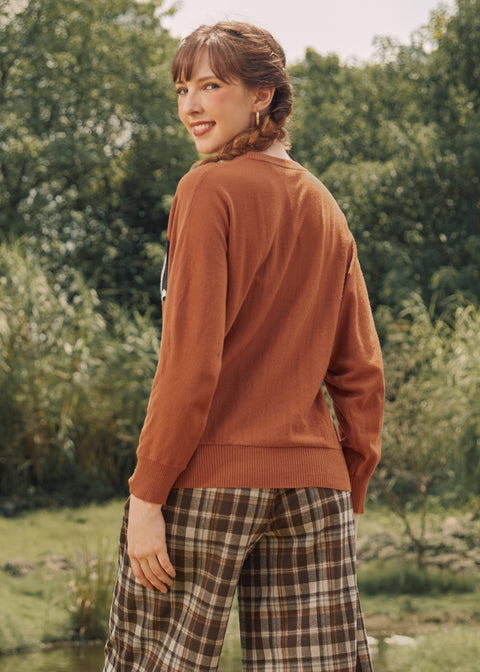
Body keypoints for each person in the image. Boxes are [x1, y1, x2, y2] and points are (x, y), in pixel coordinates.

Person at [104, 21, 384, 672]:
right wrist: (349, 482)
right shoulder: (325, 207)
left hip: (208, 481)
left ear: (263, 95)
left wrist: (147, 496)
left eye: (210, 86)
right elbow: (361, 371)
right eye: (182, 90)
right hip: (316, 487)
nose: (191, 106)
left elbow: (189, 364)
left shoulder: (206, 188)